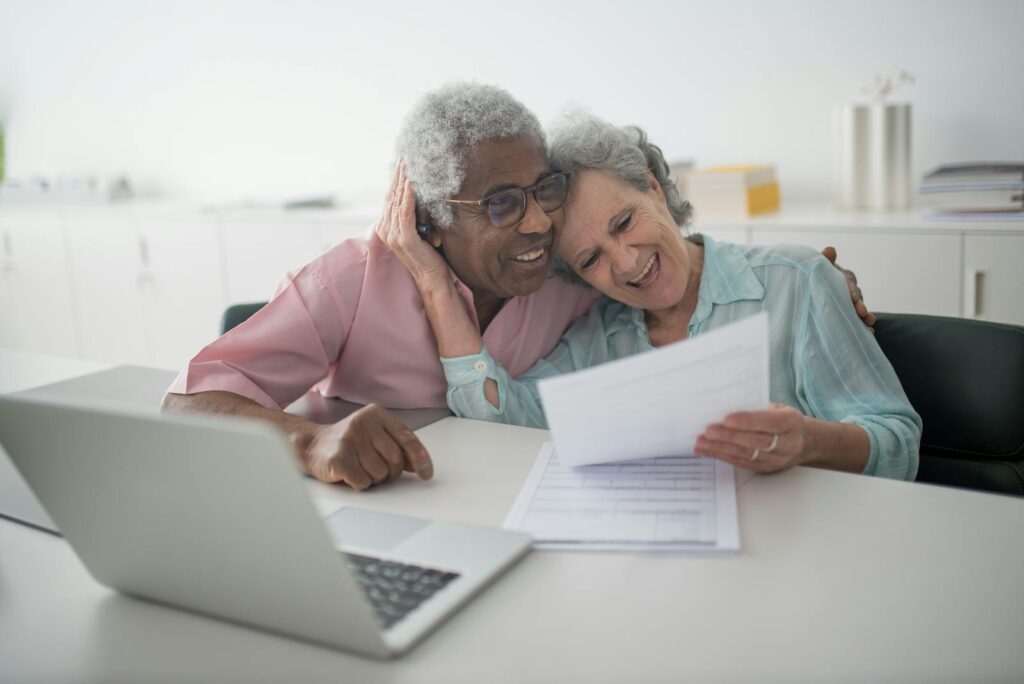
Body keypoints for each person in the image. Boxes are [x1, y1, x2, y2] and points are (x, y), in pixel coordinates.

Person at [164, 83, 873, 490]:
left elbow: (673, 271)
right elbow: (186, 404)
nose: (538, 222)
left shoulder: (573, 279)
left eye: (545, 191)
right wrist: (308, 442)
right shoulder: (352, 280)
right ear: (432, 221)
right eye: (503, 203)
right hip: (364, 514)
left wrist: (819, 279)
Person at [378, 114, 921, 480]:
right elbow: (499, 423)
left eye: (623, 222)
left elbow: (898, 443)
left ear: (653, 188)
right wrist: (433, 283)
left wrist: (808, 442)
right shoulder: (599, 337)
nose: (627, 263)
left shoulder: (795, 281)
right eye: (590, 260)